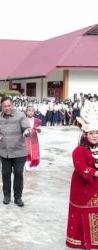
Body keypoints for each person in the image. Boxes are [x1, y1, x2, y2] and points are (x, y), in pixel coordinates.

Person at [66, 101, 98, 249]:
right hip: (83, 186)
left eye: (97, 133)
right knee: (83, 213)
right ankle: (81, 241)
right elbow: (80, 167)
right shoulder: (79, 150)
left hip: (95, 187)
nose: (95, 136)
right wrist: (95, 172)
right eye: (92, 133)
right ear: (85, 134)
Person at [0, 97, 31, 207]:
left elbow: (27, 128)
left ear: (12, 105)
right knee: (6, 174)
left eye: (9, 105)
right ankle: (7, 196)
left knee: (18, 174)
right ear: (1, 107)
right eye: (5, 106)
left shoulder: (20, 115)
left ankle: (18, 197)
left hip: (19, 151)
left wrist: (27, 132)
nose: (7, 108)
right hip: (5, 151)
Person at [25, 106, 42, 171]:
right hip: (26, 138)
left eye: (32, 111)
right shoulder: (23, 120)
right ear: (26, 112)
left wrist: (39, 129)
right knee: (27, 152)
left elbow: (39, 131)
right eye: (29, 110)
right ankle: (27, 166)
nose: (31, 112)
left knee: (34, 151)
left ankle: (34, 165)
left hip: (34, 138)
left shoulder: (37, 120)